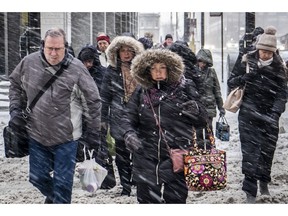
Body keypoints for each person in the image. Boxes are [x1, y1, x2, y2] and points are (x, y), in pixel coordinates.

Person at [8, 28, 102, 204]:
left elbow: (93, 101)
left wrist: (94, 132)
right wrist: (15, 109)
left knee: (63, 184)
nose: (53, 53)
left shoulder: (76, 68)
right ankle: (56, 199)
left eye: (58, 49)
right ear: (43, 45)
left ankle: (59, 201)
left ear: (65, 47)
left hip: (67, 137)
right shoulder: (29, 63)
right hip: (37, 134)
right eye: (49, 48)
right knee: (37, 178)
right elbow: (14, 84)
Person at [121, 49, 208, 203]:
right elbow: (128, 116)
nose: (158, 72)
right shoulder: (142, 91)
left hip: (177, 153)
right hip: (146, 154)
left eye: (162, 68)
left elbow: (202, 120)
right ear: (147, 71)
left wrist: (196, 110)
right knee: (147, 201)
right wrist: (129, 134)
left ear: (169, 69)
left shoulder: (185, 87)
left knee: (175, 200)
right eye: (153, 68)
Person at [227, 26, 288, 203]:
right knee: (250, 152)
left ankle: (264, 182)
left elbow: (283, 94)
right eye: (263, 51)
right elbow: (232, 81)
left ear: (274, 52)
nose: (265, 55)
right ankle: (250, 190)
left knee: (267, 152)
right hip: (248, 114)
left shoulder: (279, 68)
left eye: (269, 53)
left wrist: (275, 113)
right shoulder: (246, 61)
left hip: (270, 116)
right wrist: (245, 78)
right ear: (258, 48)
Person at [100, 35, 144, 196]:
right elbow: (104, 96)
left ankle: (138, 183)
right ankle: (126, 186)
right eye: (122, 51)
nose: (126, 54)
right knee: (121, 155)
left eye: (129, 50)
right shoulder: (111, 71)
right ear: (117, 53)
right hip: (118, 117)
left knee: (140, 153)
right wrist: (102, 119)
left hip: (139, 118)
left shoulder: (141, 70)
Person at [195, 48, 225, 147]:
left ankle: (210, 153)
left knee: (209, 131)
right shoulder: (194, 72)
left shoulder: (211, 72)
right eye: (200, 61)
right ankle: (200, 154)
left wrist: (221, 107)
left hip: (209, 107)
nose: (202, 64)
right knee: (198, 132)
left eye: (204, 62)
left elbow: (217, 91)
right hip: (198, 107)